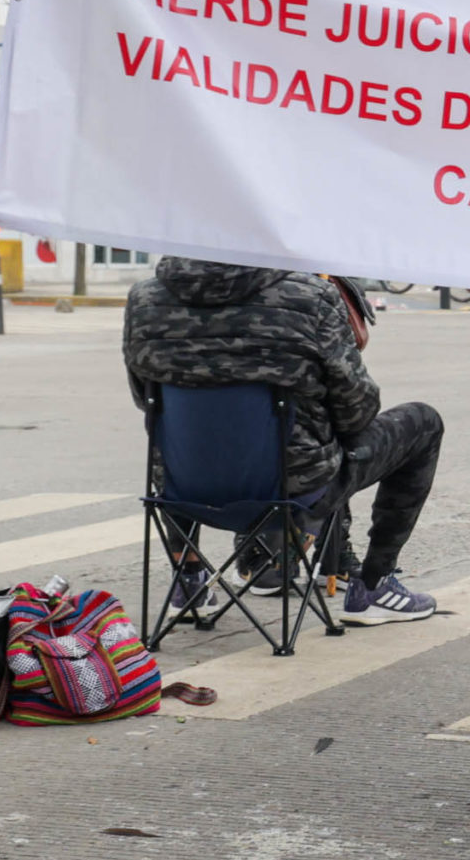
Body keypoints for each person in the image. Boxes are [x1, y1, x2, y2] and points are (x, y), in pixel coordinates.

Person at [124, 258, 444, 624]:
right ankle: (373, 585)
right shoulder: (311, 297)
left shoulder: (144, 299)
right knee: (424, 423)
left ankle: (189, 580)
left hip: (183, 491)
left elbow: (146, 400)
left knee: (181, 435)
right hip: (295, 491)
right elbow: (357, 408)